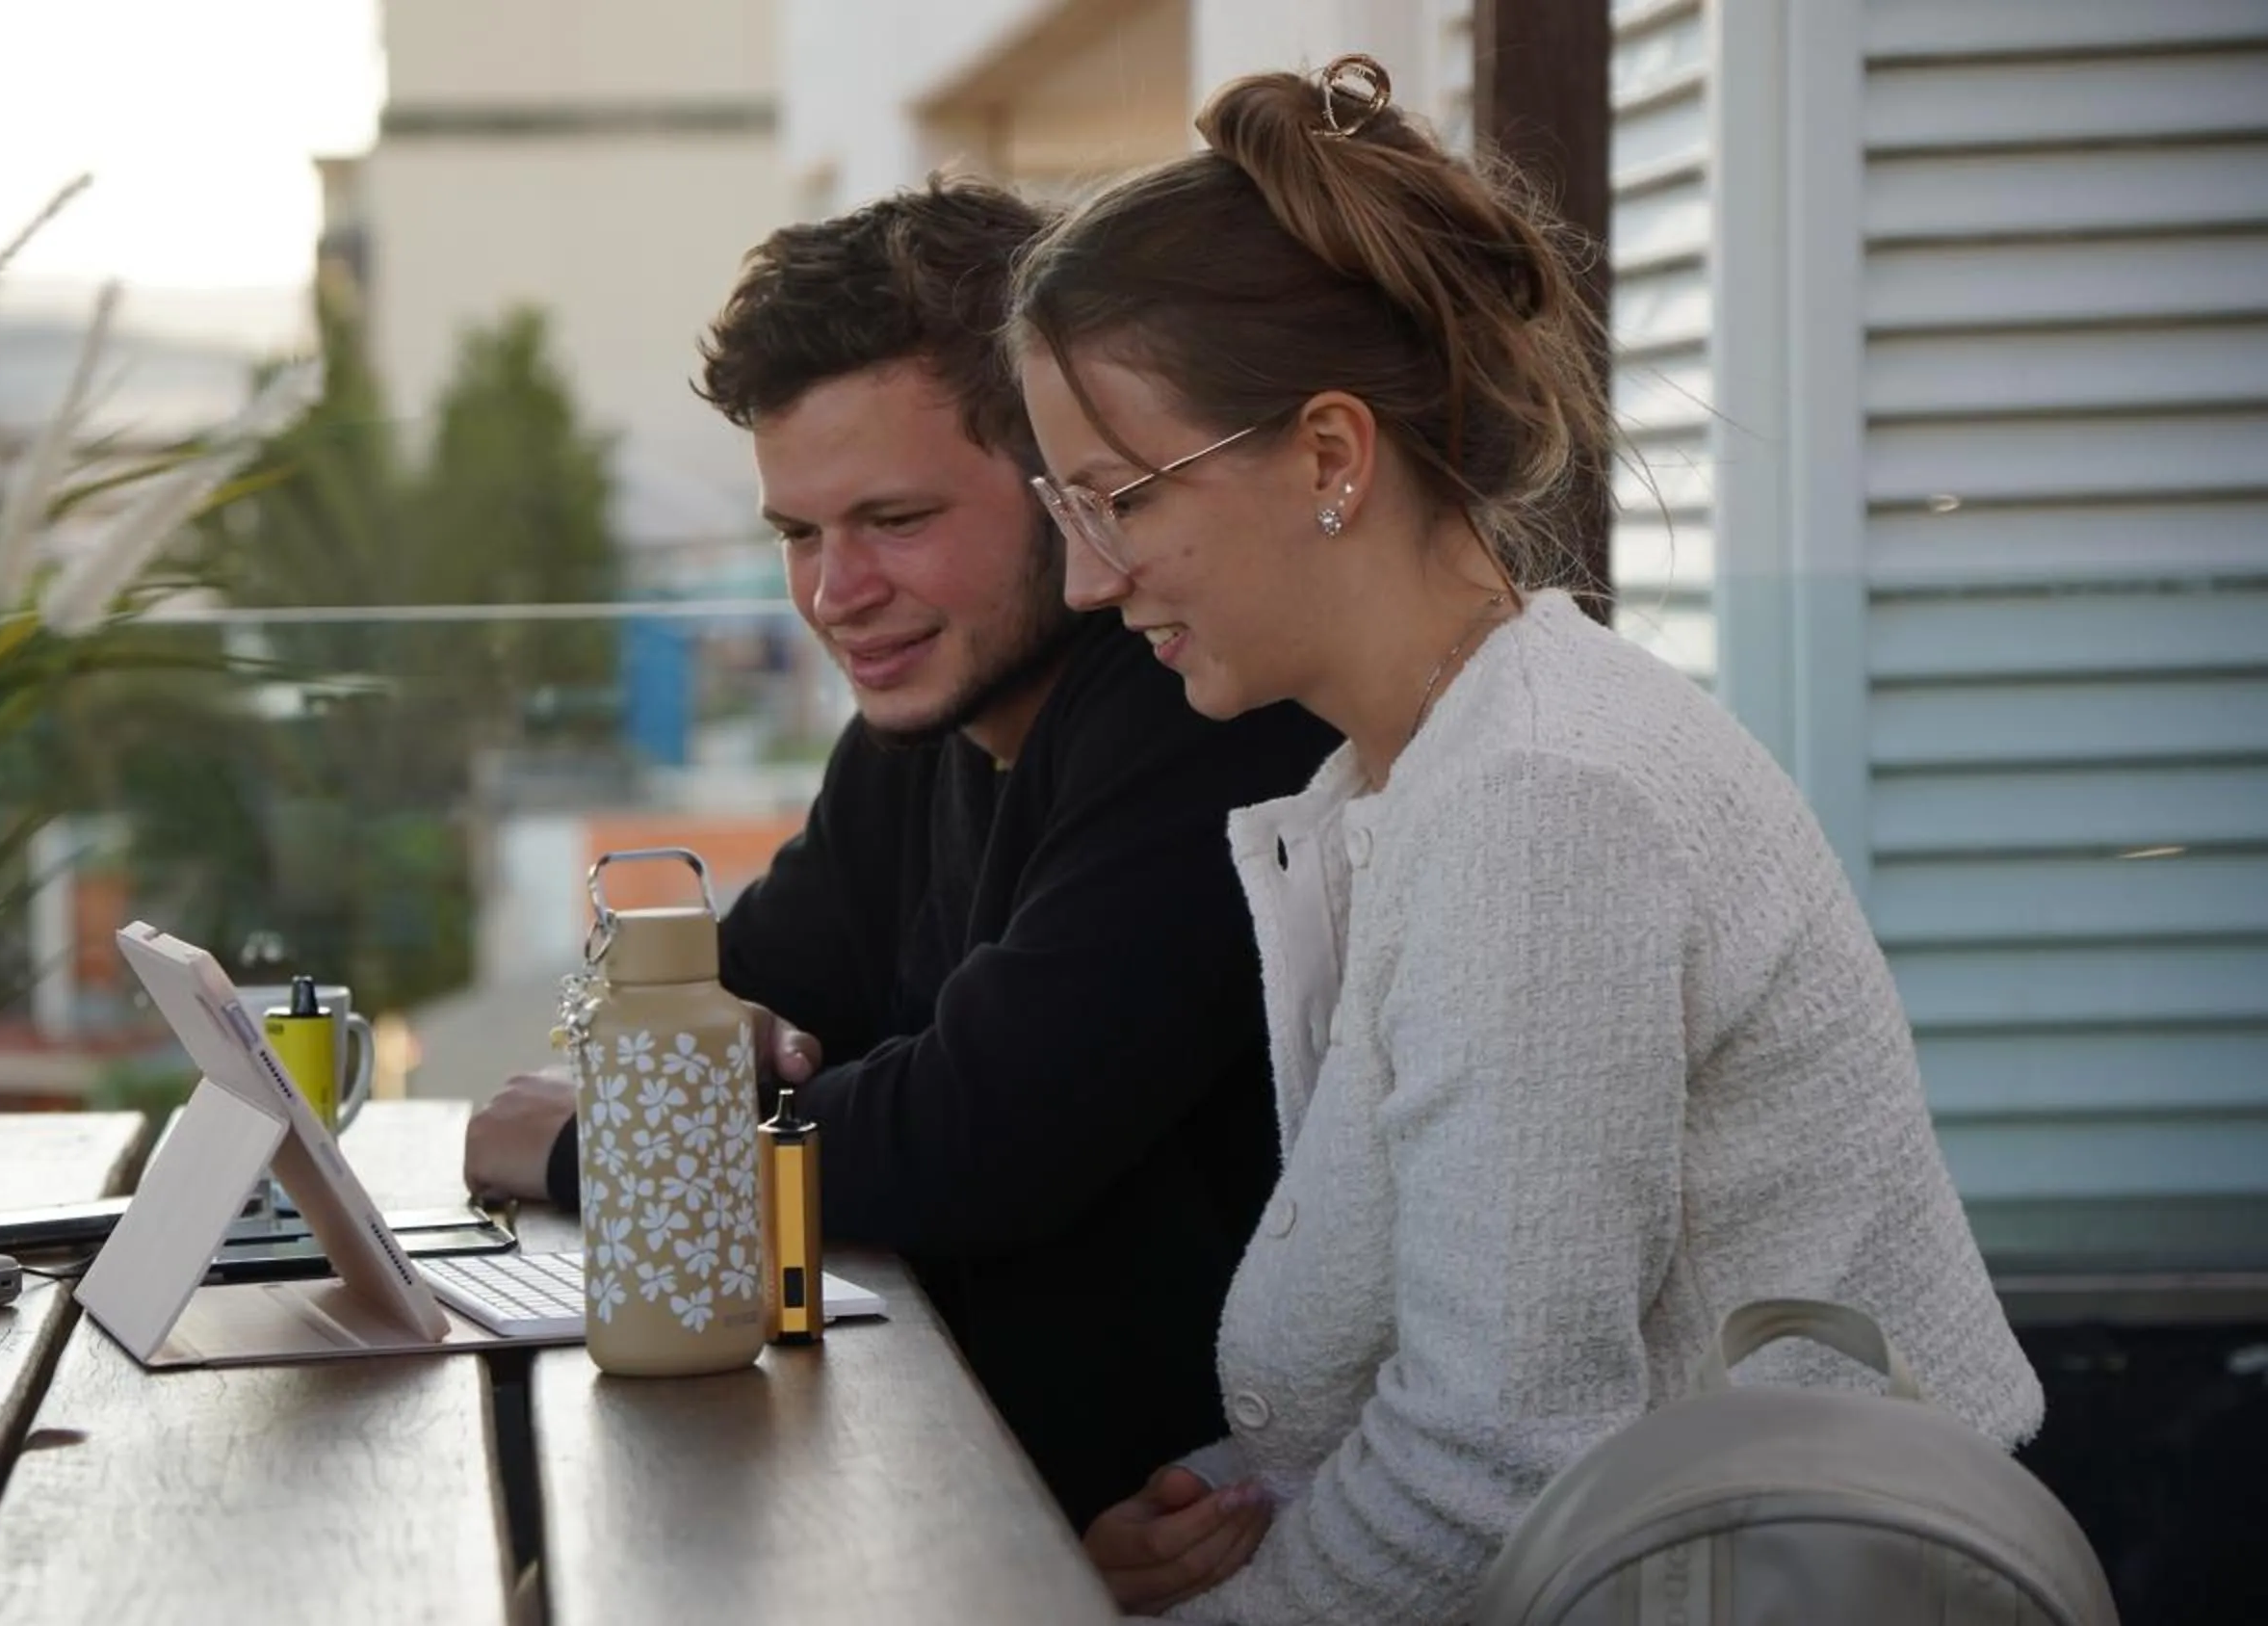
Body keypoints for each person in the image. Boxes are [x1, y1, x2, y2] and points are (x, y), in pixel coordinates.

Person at [1005, 56, 2043, 1622]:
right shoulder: (1426, 774)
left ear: (1333, 457)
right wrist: (1235, 1512)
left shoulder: (1542, 808)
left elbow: (1497, 1462)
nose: (1088, 581)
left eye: (1117, 500)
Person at [463, 178, 1344, 1529]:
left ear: (1065, 486)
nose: (835, 595)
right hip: (974, 1485)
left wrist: (604, 1154)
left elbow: (975, 1133)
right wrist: (690, 1069)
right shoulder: (916, 739)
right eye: (799, 536)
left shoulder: (1193, 714)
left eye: (895, 522)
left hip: (1204, 1526)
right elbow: (710, 994)